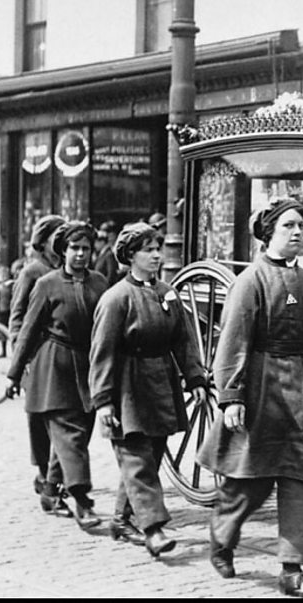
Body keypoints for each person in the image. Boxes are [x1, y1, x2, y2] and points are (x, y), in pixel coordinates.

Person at [196, 198, 303, 598]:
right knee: (249, 479)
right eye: (289, 226)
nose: (298, 233)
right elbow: (234, 342)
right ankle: (222, 538)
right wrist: (232, 397)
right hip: (261, 387)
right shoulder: (250, 282)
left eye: (302, 226)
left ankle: (292, 571)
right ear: (269, 233)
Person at [89, 222, 210, 558]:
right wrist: (103, 402)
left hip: (161, 383)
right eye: (148, 249)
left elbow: (183, 340)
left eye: (158, 248)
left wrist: (196, 378)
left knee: (151, 455)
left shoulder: (166, 292)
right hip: (128, 385)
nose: (157, 255)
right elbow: (102, 353)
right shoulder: (115, 299)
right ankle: (153, 530)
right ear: (130, 256)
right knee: (136, 458)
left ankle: (120, 518)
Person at [7, 221, 108, 531]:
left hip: (89, 366)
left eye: (86, 249)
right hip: (54, 367)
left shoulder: (100, 283)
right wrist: (14, 373)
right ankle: (82, 501)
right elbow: (28, 329)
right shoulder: (46, 284)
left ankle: (51, 491)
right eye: (74, 248)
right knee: (70, 437)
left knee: (79, 432)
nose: (80, 254)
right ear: (62, 250)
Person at [8, 214, 74, 517]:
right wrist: (20, 359)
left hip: (59, 357)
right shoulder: (33, 271)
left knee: (55, 418)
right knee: (39, 419)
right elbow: (18, 315)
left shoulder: (66, 268)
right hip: (35, 355)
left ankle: (51, 477)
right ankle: (46, 475)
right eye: (56, 235)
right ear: (44, 239)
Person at [92, 220, 124, 286]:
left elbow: (111, 275)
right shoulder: (100, 254)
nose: (95, 245)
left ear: (102, 242)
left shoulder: (109, 255)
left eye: (96, 242)